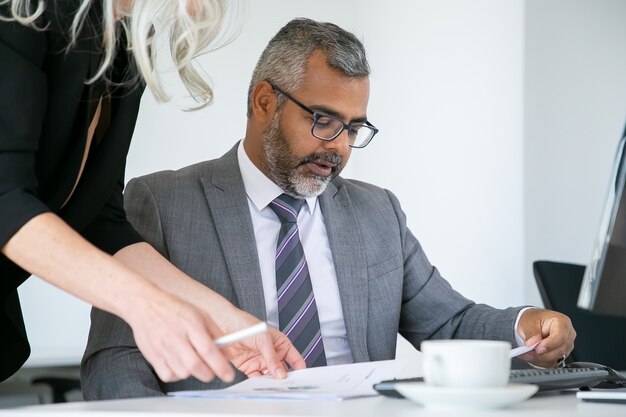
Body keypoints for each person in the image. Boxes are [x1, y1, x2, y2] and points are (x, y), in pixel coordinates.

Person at [81, 18, 576, 398]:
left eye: (354, 128)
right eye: (323, 120)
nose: (338, 147)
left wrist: (526, 325)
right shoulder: (163, 203)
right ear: (263, 103)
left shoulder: (378, 212)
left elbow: (449, 324)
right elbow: (115, 361)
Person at [0, 0, 305, 384]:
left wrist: (222, 318)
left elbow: (100, 220)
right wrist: (144, 306)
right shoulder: (23, 12)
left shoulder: (126, 46)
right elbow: (5, 202)